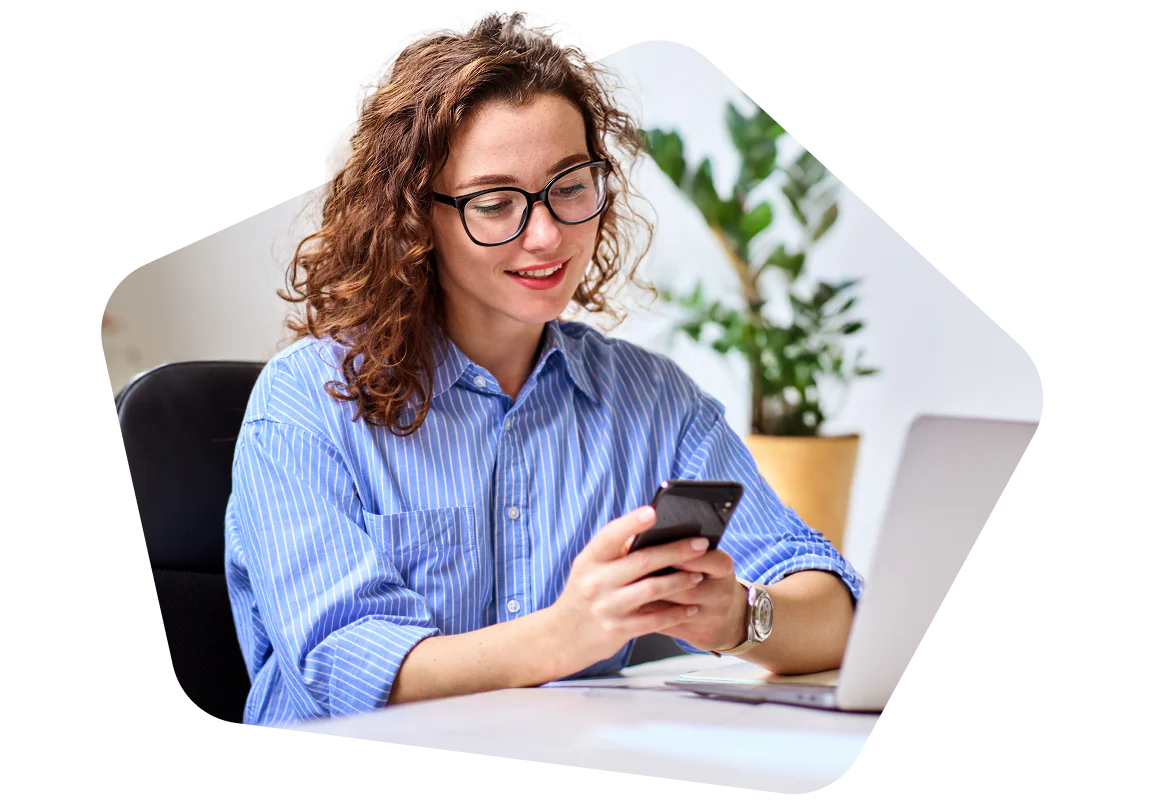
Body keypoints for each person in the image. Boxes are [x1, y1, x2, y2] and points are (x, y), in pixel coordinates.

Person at [224, 9, 864, 728]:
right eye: (496, 203)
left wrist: (740, 619)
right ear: (414, 217)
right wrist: (568, 634)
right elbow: (344, 666)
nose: (549, 234)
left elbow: (837, 607)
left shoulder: (653, 403)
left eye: (570, 185)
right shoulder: (305, 401)